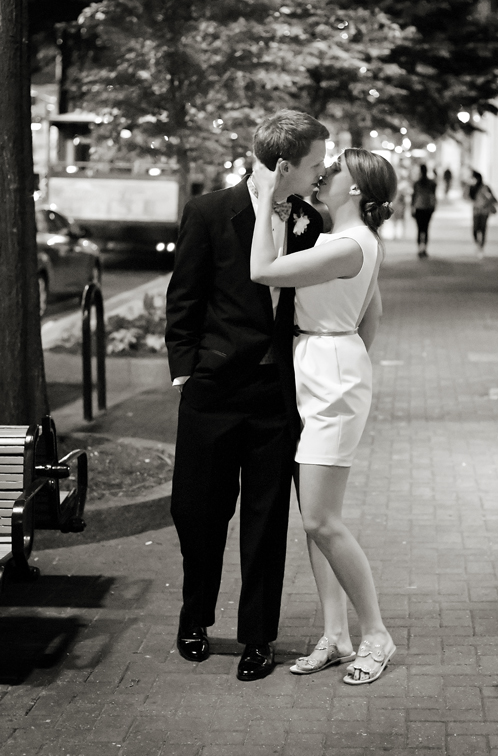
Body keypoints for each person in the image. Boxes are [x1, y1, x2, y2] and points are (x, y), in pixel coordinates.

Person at [165, 109, 328, 682]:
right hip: (212, 391)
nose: (321, 172)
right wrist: (186, 371)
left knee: (266, 521)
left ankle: (258, 635)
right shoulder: (209, 212)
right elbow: (184, 297)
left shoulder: (310, 220)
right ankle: (194, 617)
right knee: (198, 514)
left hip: (275, 397)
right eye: (314, 163)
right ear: (283, 165)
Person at [250, 147, 397, 686]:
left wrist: (267, 195)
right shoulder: (350, 242)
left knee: (320, 519)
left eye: (333, 170)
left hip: (329, 374)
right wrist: (347, 354)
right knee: (316, 515)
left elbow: (263, 271)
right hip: (322, 364)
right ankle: (335, 635)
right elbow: (373, 313)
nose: (325, 174)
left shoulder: (348, 244)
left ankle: (375, 634)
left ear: (356, 188)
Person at [469, 170, 498, 258]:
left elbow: (492, 197)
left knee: (483, 228)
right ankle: (478, 244)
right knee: (475, 228)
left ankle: (481, 247)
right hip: (476, 210)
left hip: (484, 211)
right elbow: (467, 197)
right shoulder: (472, 187)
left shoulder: (485, 187)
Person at [411, 163, 437, 258]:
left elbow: (413, 197)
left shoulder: (417, 183)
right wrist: (434, 206)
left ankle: (419, 249)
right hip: (428, 207)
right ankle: (424, 249)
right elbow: (433, 196)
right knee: (426, 228)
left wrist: (412, 207)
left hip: (419, 207)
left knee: (419, 229)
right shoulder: (432, 183)